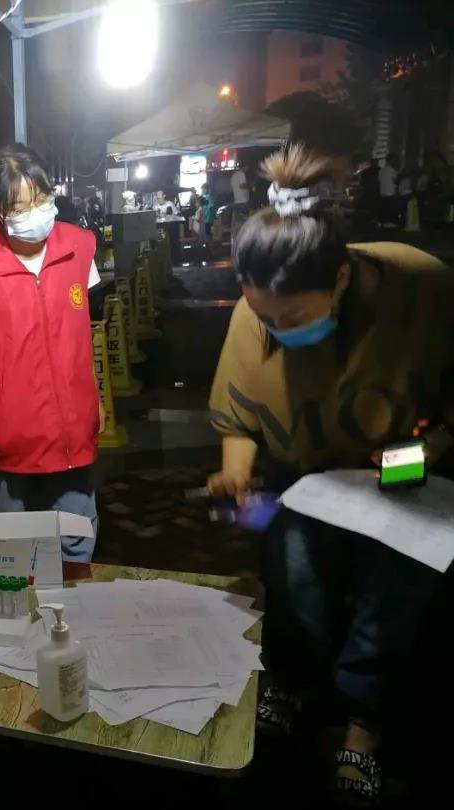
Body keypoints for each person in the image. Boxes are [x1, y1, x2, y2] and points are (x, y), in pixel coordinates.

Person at [208, 145, 453, 805]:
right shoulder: (255, 313)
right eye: (265, 318)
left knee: (393, 589)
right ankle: (291, 682)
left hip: (401, 473)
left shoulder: (424, 288)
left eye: (293, 318)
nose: (276, 330)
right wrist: (235, 473)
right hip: (308, 479)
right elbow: (238, 418)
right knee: (293, 577)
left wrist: (431, 448)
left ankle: (363, 724)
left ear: (341, 279)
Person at [0, 144, 104, 561]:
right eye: (21, 206)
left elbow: (82, 334)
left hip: (72, 429)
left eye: (43, 198)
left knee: (75, 538)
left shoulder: (79, 246)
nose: (37, 213)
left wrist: (97, 400)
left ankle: (73, 599)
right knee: (12, 550)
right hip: (7, 437)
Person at [377, 154, 398, 225]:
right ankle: (391, 224)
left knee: (384, 211)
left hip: (382, 193)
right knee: (391, 210)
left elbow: (379, 181)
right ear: (390, 160)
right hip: (391, 193)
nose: (395, 162)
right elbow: (396, 181)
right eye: (394, 160)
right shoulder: (392, 170)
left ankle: (384, 224)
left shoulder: (381, 170)